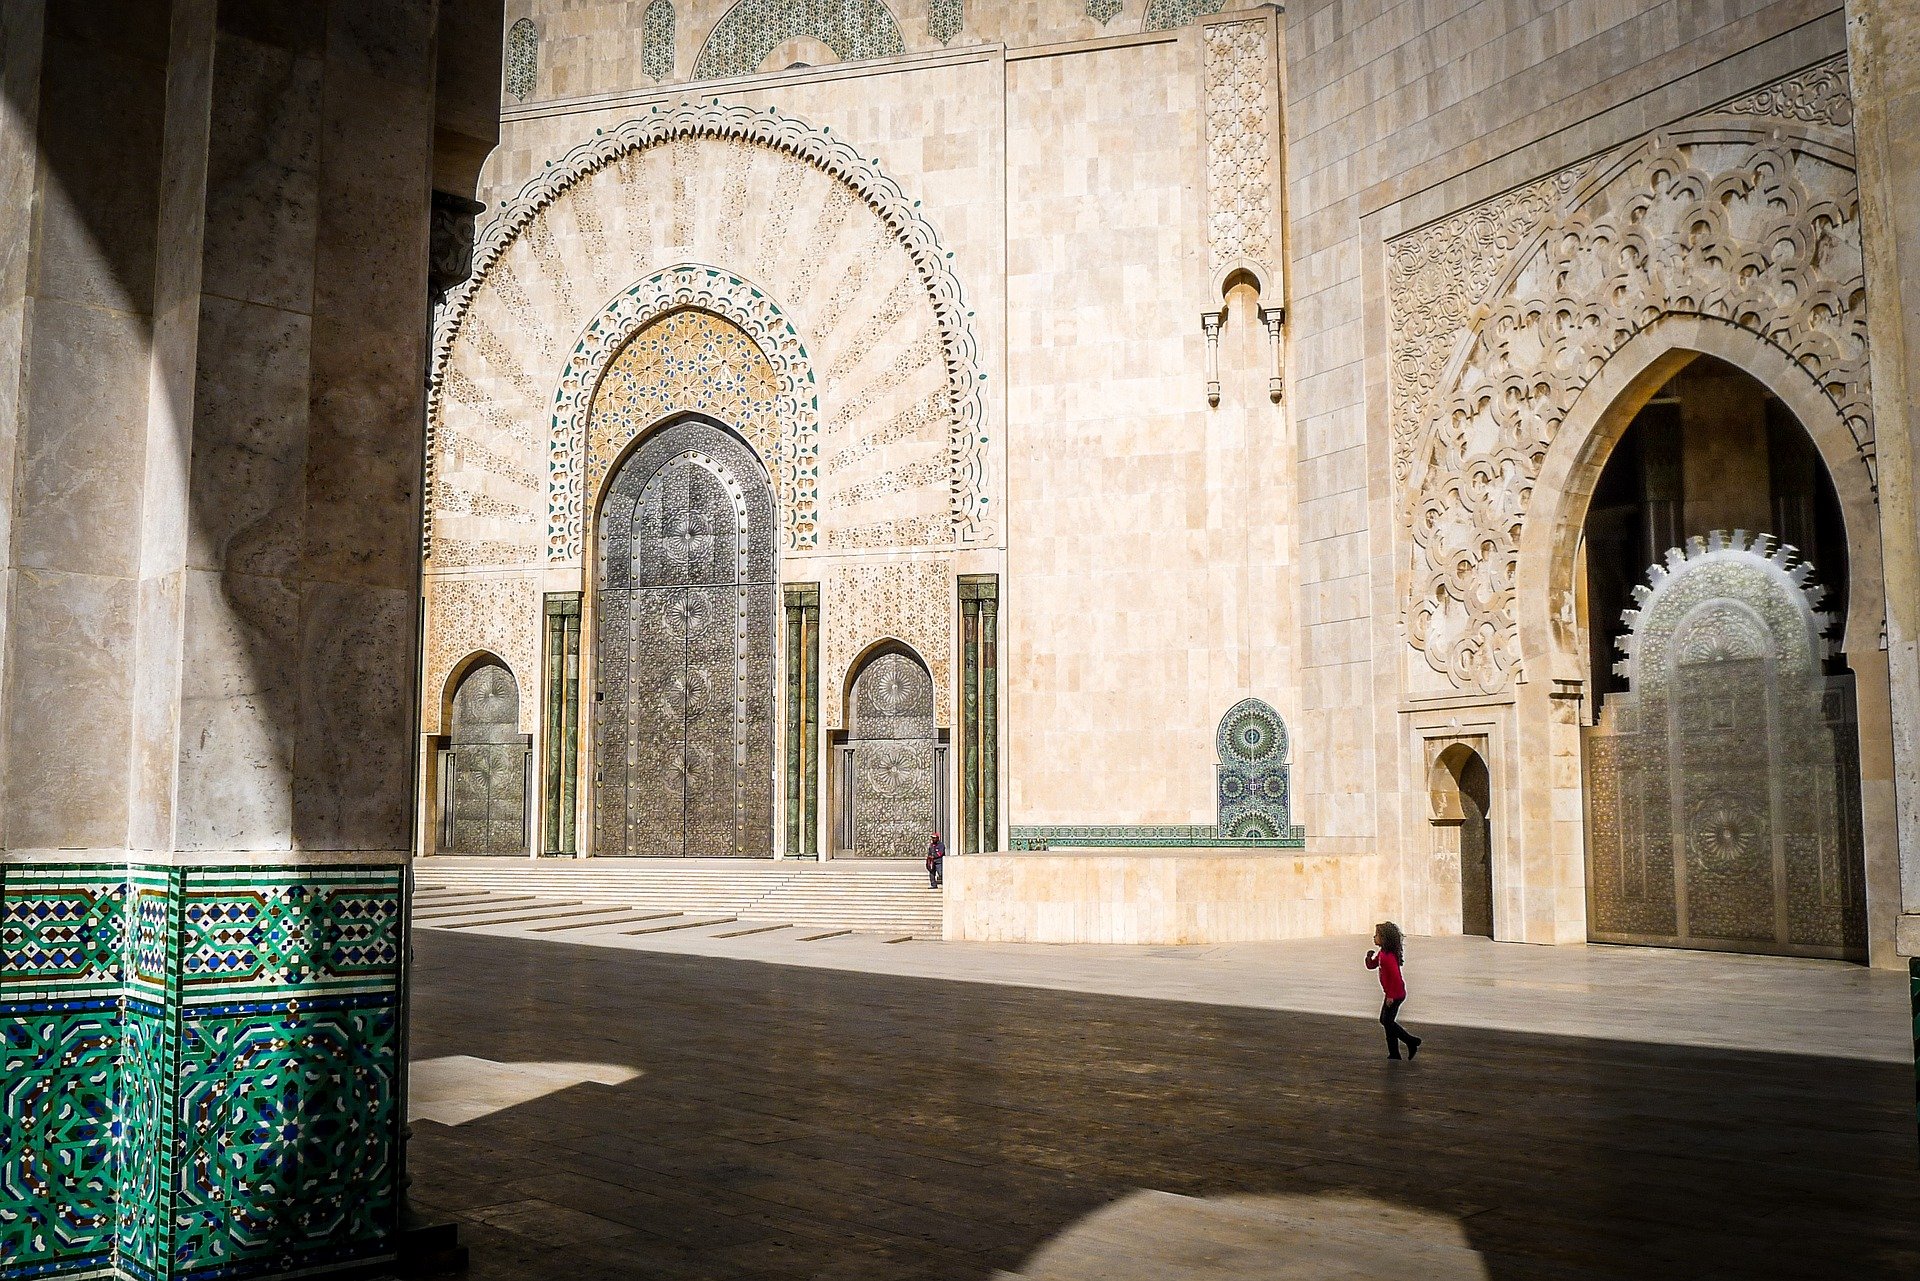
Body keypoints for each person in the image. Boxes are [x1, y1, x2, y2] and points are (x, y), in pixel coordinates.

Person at [1365, 921, 1422, 1060]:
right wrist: (1368, 958)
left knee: (1387, 1021)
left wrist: (1390, 996)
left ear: (1384, 938)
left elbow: (1395, 977)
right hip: (1392, 993)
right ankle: (1394, 1053)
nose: (1374, 937)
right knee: (1386, 1021)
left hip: (1395, 994)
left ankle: (1411, 1041)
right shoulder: (1383, 953)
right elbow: (1372, 965)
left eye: (1377, 935)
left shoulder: (1388, 956)